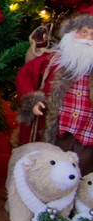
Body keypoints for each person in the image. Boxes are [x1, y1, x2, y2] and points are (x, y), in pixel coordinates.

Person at [17, 12, 93, 175]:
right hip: (57, 132)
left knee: (84, 175)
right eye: (84, 32)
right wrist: (33, 99)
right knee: (51, 171)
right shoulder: (52, 62)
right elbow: (26, 75)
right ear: (72, 34)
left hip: (88, 136)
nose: (87, 39)